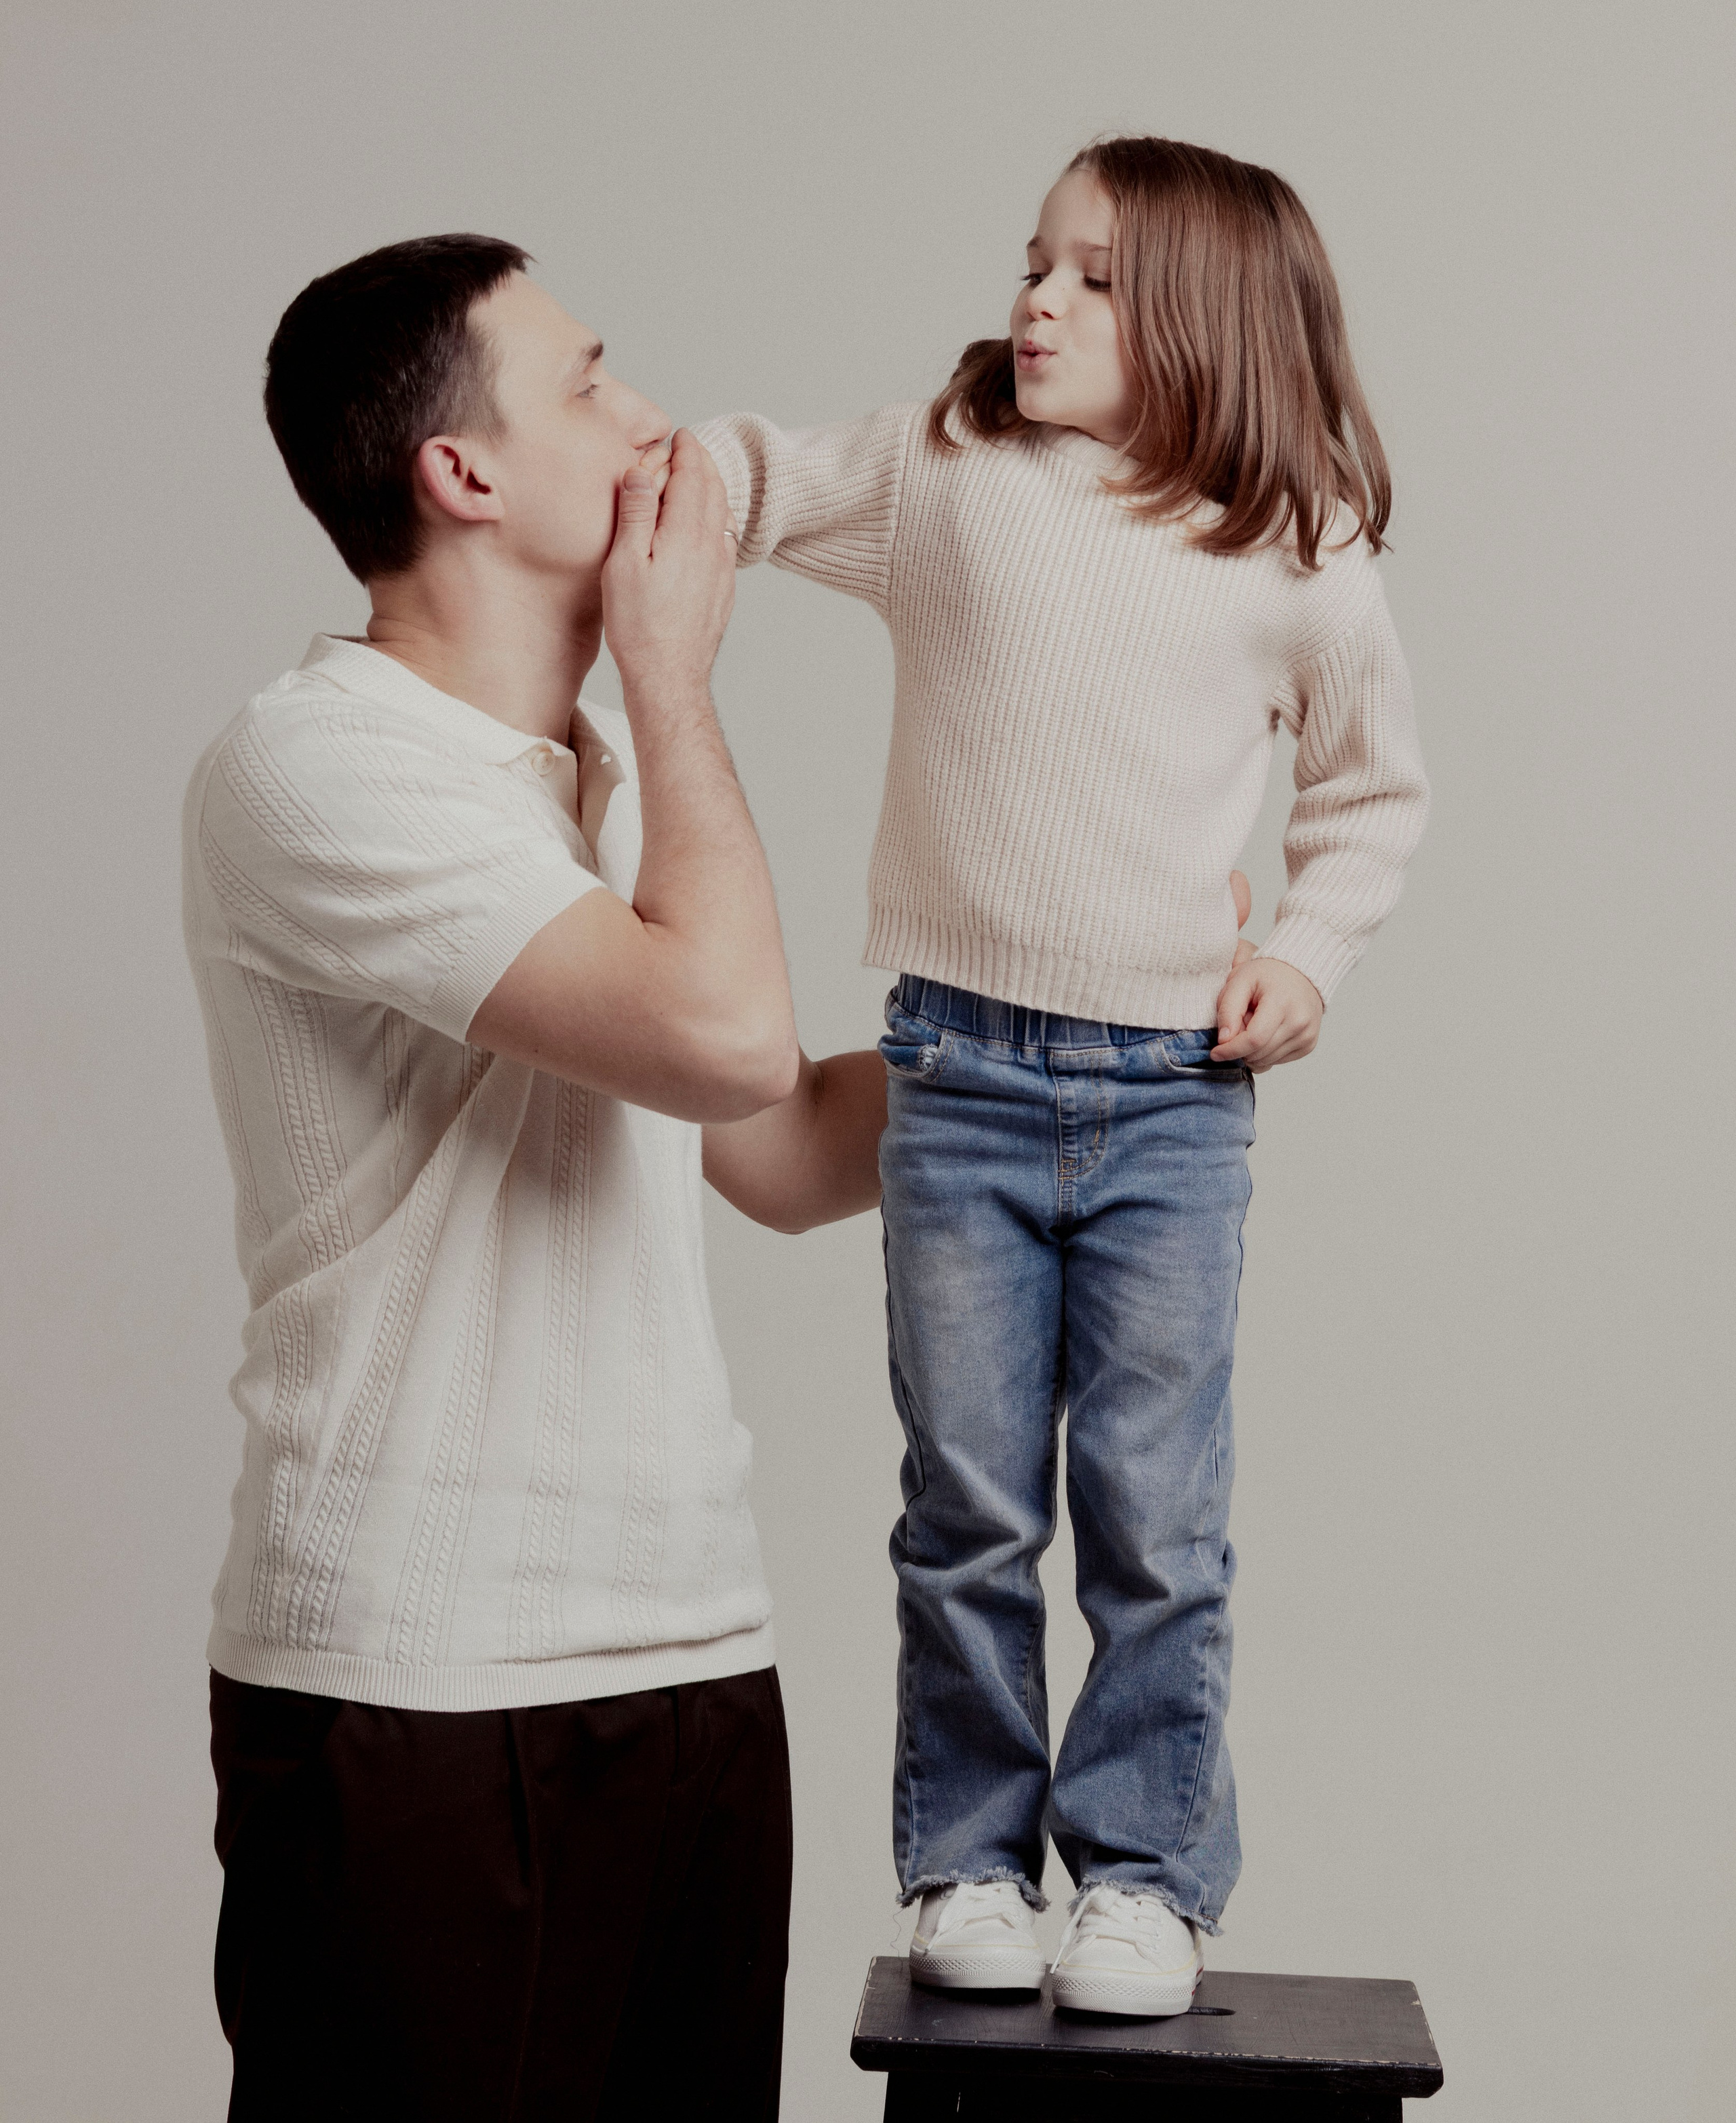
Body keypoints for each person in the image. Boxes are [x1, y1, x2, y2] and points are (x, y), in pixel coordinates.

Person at [697, 136, 1430, 2015]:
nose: (1035, 299)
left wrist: (1306, 953)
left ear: (1210, 315)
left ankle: (1145, 1870)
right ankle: (967, 1859)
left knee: (1152, 1514)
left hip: (1175, 1092)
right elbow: (762, 480)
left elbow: (1368, 797)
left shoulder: (1295, 538)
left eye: (1093, 276)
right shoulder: (951, 478)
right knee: (964, 1502)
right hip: (956, 1072)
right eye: (1035, 261)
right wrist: (645, 472)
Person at [182, 234, 886, 2122]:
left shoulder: (607, 773)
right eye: (591, 378)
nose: (651, 419)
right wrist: (673, 677)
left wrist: (1102, 1041)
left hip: (691, 1652)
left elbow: (793, 1145)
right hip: (418, 1690)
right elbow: (729, 1034)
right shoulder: (318, 765)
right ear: (463, 472)